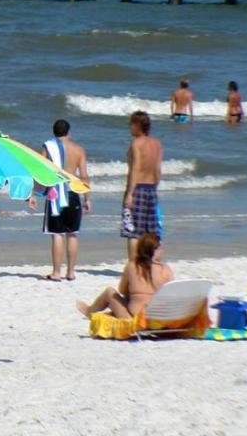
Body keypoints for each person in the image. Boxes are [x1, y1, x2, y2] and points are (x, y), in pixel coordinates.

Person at [29, 119, 90, 281]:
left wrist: (33, 194)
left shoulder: (48, 148)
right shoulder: (78, 150)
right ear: (69, 132)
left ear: (54, 132)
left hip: (56, 195)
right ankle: (70, 272)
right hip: (73, 194)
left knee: (57, 234)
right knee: (72, 234)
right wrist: (87, 198)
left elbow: (39, 171)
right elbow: (84, 176)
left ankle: (57, 272)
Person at [76, 233, 173, 319]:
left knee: (109, 292)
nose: (162, 251)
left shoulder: (132, 266)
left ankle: (89, 311)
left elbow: (122, 290)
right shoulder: (166, 269)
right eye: (160, 248)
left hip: (133, 318)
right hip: (160, 318)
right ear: (155, 250)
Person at [121, 111, 163, 259]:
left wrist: (130, 193)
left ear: (138, 125)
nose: (130, 127)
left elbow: (136, 168)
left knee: (133, 231)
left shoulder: (136, 143)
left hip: (137, 188)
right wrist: (154, 188)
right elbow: (158, 170)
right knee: (151, 232)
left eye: (131, 124)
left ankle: (133, 265)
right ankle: (152, 263)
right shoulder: (156, 144)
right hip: (151, 189)